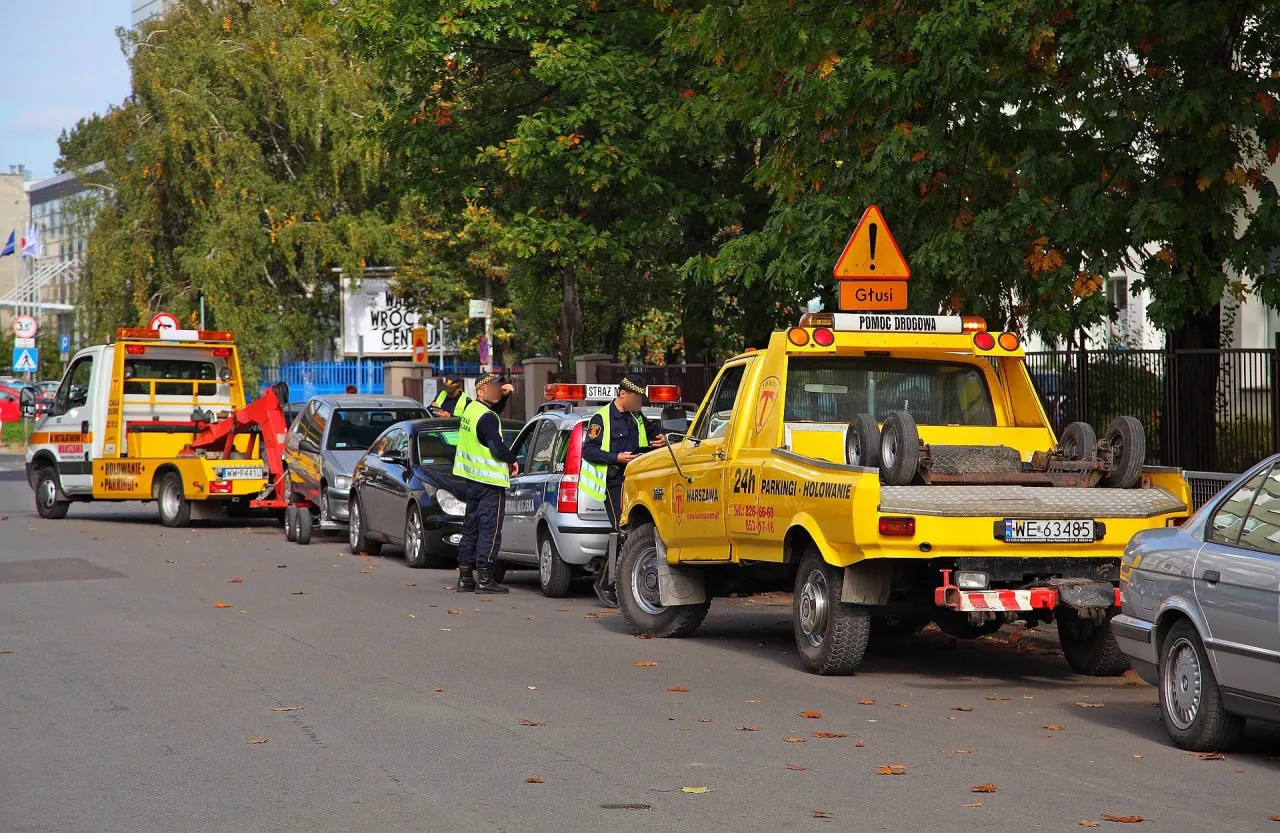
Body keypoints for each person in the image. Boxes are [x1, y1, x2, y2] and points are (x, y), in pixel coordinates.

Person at [580, 374, 667, 606]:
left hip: (637, 484)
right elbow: (588, 451)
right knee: (623, 531)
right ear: (623, 394)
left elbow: (654, 429)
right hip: (614, 482)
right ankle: (605, 584)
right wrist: (615, 457)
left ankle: (615, 584)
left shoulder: (636, 415)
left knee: (631, 533)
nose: (640, 402)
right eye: (637, 397)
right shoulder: (602, 418)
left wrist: (662, 437)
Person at [452, 372, 519, 594]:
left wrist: (504, 397)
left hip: (471, 480)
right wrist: (512, 459)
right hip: (490, 482)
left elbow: (490, 418)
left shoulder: (471, 410)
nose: (497, 390)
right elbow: (496, 446)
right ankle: (485, 579)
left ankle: (465, 578)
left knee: (470, 527)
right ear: (481, 391)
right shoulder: (486, 417)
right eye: (493, 387)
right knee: (489, 530)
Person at [430, 373, 514, 418]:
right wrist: (432, 407)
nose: (447, 392)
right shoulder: (441, 394)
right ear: (480, 392)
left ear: (459, 388)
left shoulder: (467, 402)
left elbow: (495, 411)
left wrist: (503, 396)